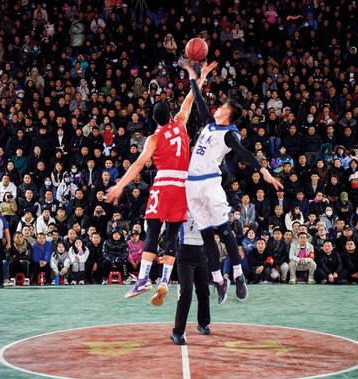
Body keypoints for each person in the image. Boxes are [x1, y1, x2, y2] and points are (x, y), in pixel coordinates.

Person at [106, 61, 217, 306]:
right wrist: (201, 76)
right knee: (173, 236)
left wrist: (120, 185)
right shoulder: (180, 122)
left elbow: (137, 165)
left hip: (164, 183)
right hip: (183, 187)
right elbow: (190, 98)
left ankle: (144, 278)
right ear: (169, 114)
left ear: (154, 119)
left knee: (153, 232)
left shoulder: (154, 138)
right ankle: (165, 279)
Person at [185, 62, 282, 304]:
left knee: (224, 230)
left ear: (227, 113)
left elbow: (244, 153)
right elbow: (199, 102)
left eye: (222, 107)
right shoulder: (209, 123)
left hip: (209, 183)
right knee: (206, 234)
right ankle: (218, 280)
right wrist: (192, 78)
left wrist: (265, 171)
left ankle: (238, 276)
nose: (216, 108)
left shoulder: (229, 133)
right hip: (192, 184)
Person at [170, 213, 210, 346]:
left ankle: (203, 323)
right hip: (185, 252)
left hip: (201, 251)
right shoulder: (181, 208)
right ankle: (177, 332)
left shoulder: (203, 207)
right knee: (186, 290)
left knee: (204, 290)